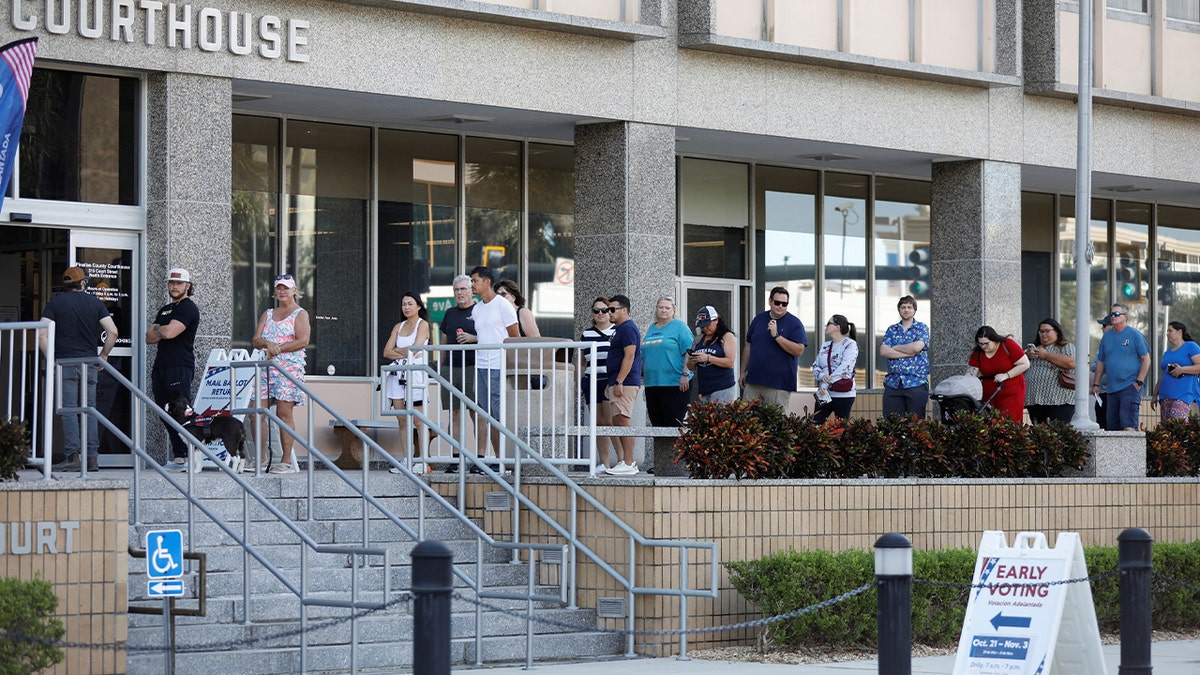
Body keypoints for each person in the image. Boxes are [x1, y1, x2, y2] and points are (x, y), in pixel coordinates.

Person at [41, 266, 119, 472]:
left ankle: (72, 457)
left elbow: (41, 334)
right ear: (83, 283)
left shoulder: (55, 303)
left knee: (69, 410)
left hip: (65, 363)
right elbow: (113, 332)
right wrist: (103, 355)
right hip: (89, 364)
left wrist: (52, 360)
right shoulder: (94, 303)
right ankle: (92, 458)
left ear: (66, 285)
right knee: (89, 410)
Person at [252, 273, 310, 474]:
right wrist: (268, 344)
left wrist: (279, 348)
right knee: (255, 412)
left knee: (284, 413)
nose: (282, 291)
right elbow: (256, 339)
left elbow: (303, 340)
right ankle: (260, 458)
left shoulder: (300, 313)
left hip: (288, 368)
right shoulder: (268, 313)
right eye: (279, 288)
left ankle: (285, 461)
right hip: (266, 368)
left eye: (286, 287)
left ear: (294, 290)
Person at [146, 268, 201, 471]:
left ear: (187, 285)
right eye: (171, 283)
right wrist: (162, 330)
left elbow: (168, 333)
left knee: (182, 411)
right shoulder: (165, 309)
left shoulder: (188, 308)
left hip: (180, 366)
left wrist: (159, 329)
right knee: (165, 412)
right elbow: (148, 338)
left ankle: (190, 455)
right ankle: (179, 456)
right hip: (161, 366)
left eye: (179, 283)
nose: (174, 286)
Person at [470, 266, 520, 465]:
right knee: (486, 414)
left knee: (500, 415)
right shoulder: (477, 308)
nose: (472, 285)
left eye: (475, 280)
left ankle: (509, 460)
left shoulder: (503, 305)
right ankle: (499, 459)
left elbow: (515, 337)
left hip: (498, 366)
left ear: (487, 281)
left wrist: (510, 365)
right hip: (480, 366)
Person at [384, 291, 430, 473]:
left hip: (415, 374)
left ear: (418, 306)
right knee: (401, 419)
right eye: (404, 304)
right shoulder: (398, 326)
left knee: (419, 419)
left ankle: (423, 460)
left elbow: (417, 349)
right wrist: (405, 352)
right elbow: (386, 352)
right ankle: (407, 459)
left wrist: (399, 350)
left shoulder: (423, 324)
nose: (407, 307)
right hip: (397, 373)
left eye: (410, 303)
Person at [740, 286, 807, 409]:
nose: (780, 306)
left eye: (784, 303)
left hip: (778, 385)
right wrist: (742, 372)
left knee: (775, 424)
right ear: (770, 301)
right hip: (754, 382)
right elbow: (748, 346)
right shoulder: (759, 319)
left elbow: (799, 350)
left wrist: (777, 336)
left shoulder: (794, 324)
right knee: (747, 422)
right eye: (777, 302)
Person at [439, 274, 480, 473]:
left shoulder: (480, 311)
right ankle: (456, 460)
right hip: (450, 369)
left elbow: (494, 336)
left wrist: (473, 338)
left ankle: (480, 459)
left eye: (463, 289)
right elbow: (444, 343)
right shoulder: (449, 313)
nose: (460, 293)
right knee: (454, 414)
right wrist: (439, 368)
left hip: (473, 367)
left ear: (472, 290)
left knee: (476, 413)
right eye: (456, 290)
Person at [1091, 304, 1150, 431]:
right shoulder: (1107, 337)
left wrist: (1139, 381)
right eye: (1111, 314)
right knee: (1112, 427)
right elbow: (1101, 361)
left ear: (1125, 317)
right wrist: (1096, 384)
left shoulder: (1134, 335)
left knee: (1128, 424)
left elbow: (1146, 359)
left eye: (1117, 314)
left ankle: (1132, 451)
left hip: (1130, 385)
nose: (1113, 316)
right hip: (1111, 389)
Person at [641, 296, 693, 428]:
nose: (663, 310)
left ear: (673, 310)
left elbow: (689, 351)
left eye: (667, 308)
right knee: (657, 425)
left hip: (674, 383)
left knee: (672, 425)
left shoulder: (680, 327)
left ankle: (673, 450)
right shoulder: (652, 328)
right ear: (656, 309)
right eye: (660, 307)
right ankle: (660, 450)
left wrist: (685, 374)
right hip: (652, 383)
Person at [604, 294, 642, 476]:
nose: (608, 313)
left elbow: (629, 355)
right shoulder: (619, 329)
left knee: (622, 419)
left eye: (612, 309)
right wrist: (612, 382)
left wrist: (619, 380)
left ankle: (629, 462)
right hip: (617, 381)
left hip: (625, 382)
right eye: (607, 310)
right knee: (618, 420)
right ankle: (625, 461)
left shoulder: (627, 328)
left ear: (624, 310)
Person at [580, 296, 617, 468]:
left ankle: (624, 460)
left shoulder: (617, 331)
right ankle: (604, 463)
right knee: (597, 423)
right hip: (591, 380)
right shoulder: (586, 334)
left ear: (610, 312)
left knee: (610, 422)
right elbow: (580, 362)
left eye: (604, 310)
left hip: (609, 381)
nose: (600, 313)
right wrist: (579, 383)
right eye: (596, 310)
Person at [879, 295, 930, 418]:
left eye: (909, 307)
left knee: (916, 425)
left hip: (916, 382)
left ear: (914, 310)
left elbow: (916, 348)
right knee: (891, 424)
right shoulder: (892, 329)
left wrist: (895, 347)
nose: (906, 310)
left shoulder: (921, 328)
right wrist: (909, 352)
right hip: (893, 383)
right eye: (903, 307)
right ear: (899, 310)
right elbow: (883, 351)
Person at [967, 326, 1030, 423]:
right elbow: (971, 374)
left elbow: (1025, 364)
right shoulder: (978, 352)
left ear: (994, 340)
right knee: (989, 422)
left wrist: (1006, 375)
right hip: (989, 394)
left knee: (1008, 422)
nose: (983, 346)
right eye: (980, 344)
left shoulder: (1007, 344)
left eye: (986, 343)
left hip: (1011, 391)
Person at [1023, 318, 1076, 424]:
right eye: (1041, 331)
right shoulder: (1033, 350)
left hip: (1060, 400)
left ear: (1056, 331)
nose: (1043, 334)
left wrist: (1046, 355)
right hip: (1034, 400)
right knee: (1040, 435)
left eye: (1047, 331)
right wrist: (1026, 356)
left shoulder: (1065, 346)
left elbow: (1070, 363)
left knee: (1057, 433)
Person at [811, 315, 858, 425]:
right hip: (824, 393)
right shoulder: (825, 345)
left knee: (841, 428)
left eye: (829, 323)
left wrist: (825, 384)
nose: (826, 326)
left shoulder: (850, 344)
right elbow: (815, 366)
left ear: (837, 327)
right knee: (815, 423)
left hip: (843, 393)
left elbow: (845, 368)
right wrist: (822, 375)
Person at [686, 306, 737, 404]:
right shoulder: (699, 339)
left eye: (707, 324)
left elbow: (730, 362)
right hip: (705, 387)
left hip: (722, 386)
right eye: (702, 326)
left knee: (719, 417)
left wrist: (708, 358)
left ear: (716, 320)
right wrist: (692, 360)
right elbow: (691, 367)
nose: (705, 328)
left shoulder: (726, 336)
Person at [1152, 321, 1200, 421]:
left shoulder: (1191, 346)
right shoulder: (1167, 353)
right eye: (1167, 331)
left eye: (1170, 331)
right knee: (1167, 430)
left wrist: (1182, 369)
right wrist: (1155, 394)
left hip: (1182, 395)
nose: (1167, 333)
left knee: (1178, 426)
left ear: (1179, 332)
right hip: (1165, 396)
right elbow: (1162, 375)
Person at [1092, 315, 1113, 429]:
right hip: (1101, 392)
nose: (1102, 328)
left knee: (1113, 425)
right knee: (1102, 424)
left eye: (1104, 326)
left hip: (1114, 392)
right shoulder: (1103, 344)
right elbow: (1093, 366)